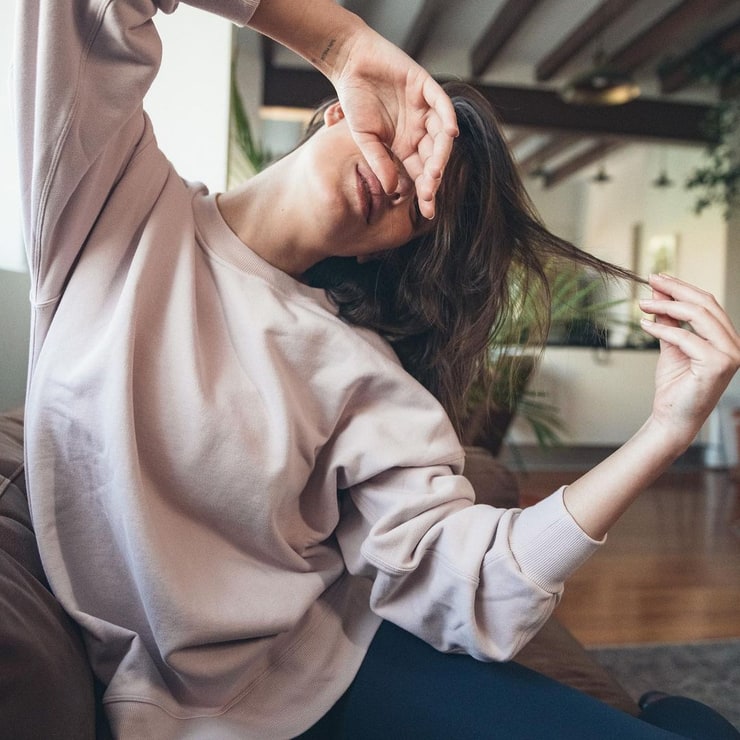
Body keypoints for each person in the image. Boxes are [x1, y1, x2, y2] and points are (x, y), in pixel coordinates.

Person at [12, 0, 740, 738]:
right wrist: (340, 40)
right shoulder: (112, 204)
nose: (398, 185)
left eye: (424, 207)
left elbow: (471, 579)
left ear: (384, 251)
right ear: (336, 113)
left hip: (337, 667)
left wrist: (665, 431)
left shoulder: (360, 370)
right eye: (404, 145)